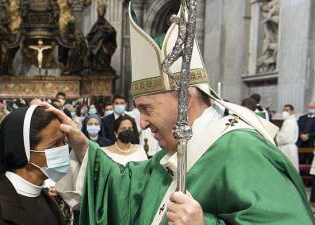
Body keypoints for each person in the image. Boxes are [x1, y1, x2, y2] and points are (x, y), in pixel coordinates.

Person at [53, 4, 314, 224]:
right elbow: (129, 187)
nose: (141, 123)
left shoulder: (240, 150)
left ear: (184, 99)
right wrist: (84, 147)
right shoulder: (178, 149)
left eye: (147, 109)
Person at [0, 105, 66, 225]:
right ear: (23, 152)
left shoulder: (48, 201)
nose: (64, 149)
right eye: (55, 144)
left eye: (64, 142)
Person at [276, 104, 299, 171]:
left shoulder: (290, 122)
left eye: (286, 110)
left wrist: (278, 134)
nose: (284, 112)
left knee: (290, 170)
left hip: (288, 149)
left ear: (292, 111)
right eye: (283, 110)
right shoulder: (288, 121)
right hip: (286, 148)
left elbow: (286, 138)